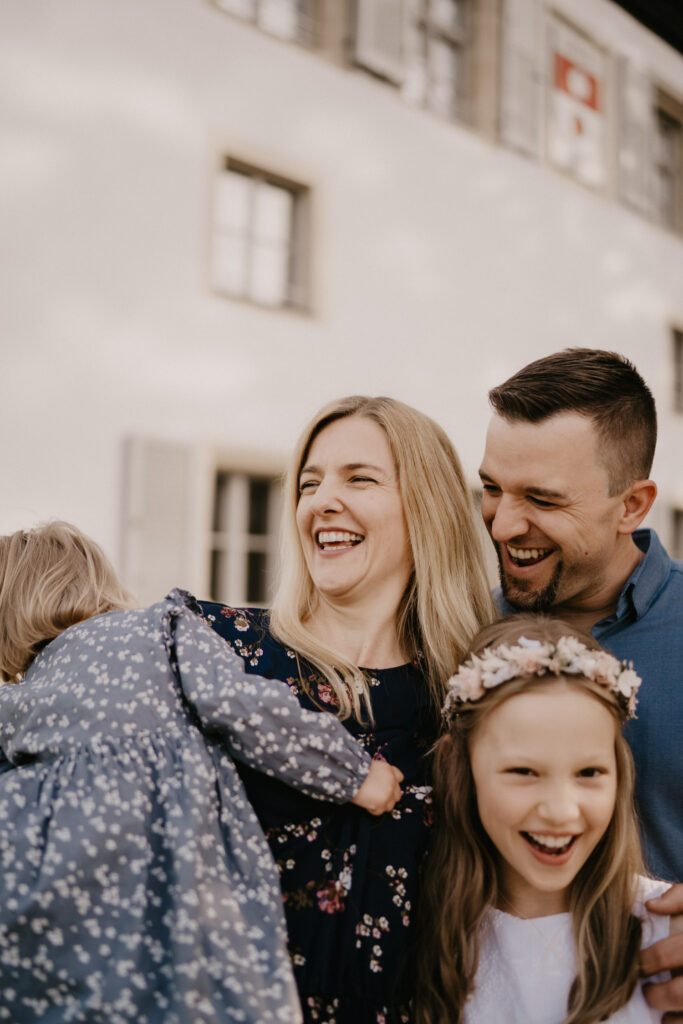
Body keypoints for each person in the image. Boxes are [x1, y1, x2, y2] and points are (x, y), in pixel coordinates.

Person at [0, 521, 405, 1024]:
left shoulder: (15, 699)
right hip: (176, 877)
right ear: (98, 582)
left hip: (54, 903)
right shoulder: (157, 629)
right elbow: (243, 708)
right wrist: (355, 775)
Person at [202, 395, 496, 1024]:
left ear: (427, 507)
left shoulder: (476, 697)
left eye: (359, 478)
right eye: (309, 484)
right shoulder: (219, 653)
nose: (321, 501)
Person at [479, 347, 683, 1014]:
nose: (504, 525)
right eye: (491, 488)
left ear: (632, 505)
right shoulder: (457, 627)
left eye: (540, 499)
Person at [416, 614, 683, 1024]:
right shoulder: (420, 936)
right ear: (459, 765)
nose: (560, 811)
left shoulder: (667, 934)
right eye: (524, 772)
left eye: (589, 773)